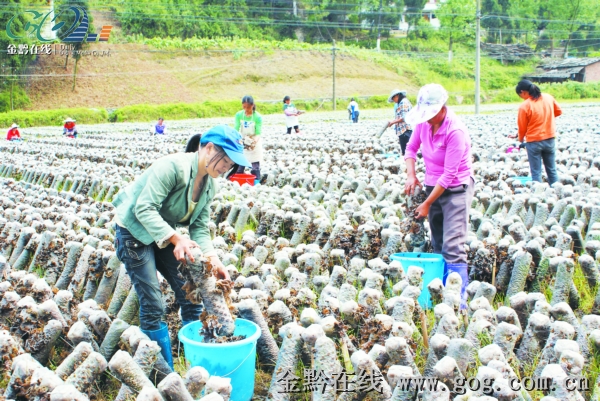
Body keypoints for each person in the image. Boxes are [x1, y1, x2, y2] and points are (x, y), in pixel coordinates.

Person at [111, 125, 250, 368]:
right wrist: (176, 238)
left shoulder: (210, 184)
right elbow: (143, 208)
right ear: (208, 149)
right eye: (225, 160)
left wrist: (213, 260)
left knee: (191, 295)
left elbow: (199, 227)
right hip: (133, 230)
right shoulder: (172, 167)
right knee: (153, 302)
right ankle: (162, 370)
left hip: (162, 231)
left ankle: (196, 360)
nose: (226, 167)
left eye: (230, 164)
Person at [403, 84, 474, 309]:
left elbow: (449, 174)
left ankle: (458, 302)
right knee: (438, 242)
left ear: (442, 108)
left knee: (453, 245)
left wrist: (426, 203)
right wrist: (411, 175)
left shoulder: (455, 131)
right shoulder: (424, 125)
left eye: (431, 114)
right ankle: (439, 290)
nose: (427, 119)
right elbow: (411, 149)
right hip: (432, 185)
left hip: (456, 189)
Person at [508, 79, 562, 186]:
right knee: (551, 170)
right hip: (550, 138)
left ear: (523, 92)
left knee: (536, 172)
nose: (521, 98)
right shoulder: (548, 97)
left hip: (534, 142)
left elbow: (522, 127)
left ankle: (538, 196)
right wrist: (546, 119)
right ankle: (557, 192)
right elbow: (558, 111)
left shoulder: (525, 106)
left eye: (520, 95)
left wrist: (520, 139)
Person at [234, 95, 263, 181]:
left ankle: (257, 182)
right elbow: (236, 128)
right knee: (240, 165)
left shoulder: (257, 117)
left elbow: (258, 133)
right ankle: (239, 181)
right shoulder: (239, 115)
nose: (246, 109)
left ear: (253, 105)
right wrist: (236, 139)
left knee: (255, 167)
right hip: (243, 141)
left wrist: (253, 142)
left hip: (254, 142)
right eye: (244, 107)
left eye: (248, 107)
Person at [387, 89, 413, 156]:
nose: (394, 101)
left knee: (407, 152)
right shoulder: (402, 102)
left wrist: (393, 122)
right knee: (406, 152)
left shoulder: (403, 102)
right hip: (403, 131)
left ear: (397, 96)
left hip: (405, 130)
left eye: (393, 98)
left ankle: (408, 165)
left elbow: (404, 117)